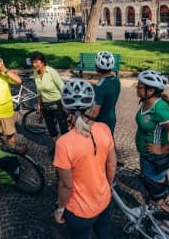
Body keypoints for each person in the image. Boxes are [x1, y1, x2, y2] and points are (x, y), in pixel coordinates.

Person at [53, 79, 116, 239]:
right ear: (91, 106)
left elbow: (66, 185)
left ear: (66, 108)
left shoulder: (63, 143)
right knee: (105, 232)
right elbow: (112, 164)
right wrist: (108, 187)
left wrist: (60, 209)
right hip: (104, 200)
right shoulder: (104, 129)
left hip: (79, 211)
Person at [135, 70, 169, 200]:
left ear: (151, 90)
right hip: (146, 156)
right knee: (149, 186)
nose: (137, 88)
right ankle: (148, 209)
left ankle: (155, 215)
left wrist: (161, 149)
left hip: (154, 160)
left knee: (155, 193)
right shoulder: (146, 102)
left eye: (140, 87)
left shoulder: (159, 109)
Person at [30, 52, 68, 140]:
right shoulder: (35, 73)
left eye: (36, 62)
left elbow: (62, 88)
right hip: (45, 105)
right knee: (51, 129)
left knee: (63, 128)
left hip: (58, 103)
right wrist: (39, 105)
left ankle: (65, 148)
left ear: (43, 62)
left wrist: (65, 104)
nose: (34, 64)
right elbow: (38, 91)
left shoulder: (51, 72)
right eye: (32, 62)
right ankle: (56, 146)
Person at [90, 51, 121, 136]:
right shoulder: (116, 80)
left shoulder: (99, 87)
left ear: (97, 68)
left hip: (102, 121)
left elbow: (95, 112)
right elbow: (108, 91)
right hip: (112, 118)